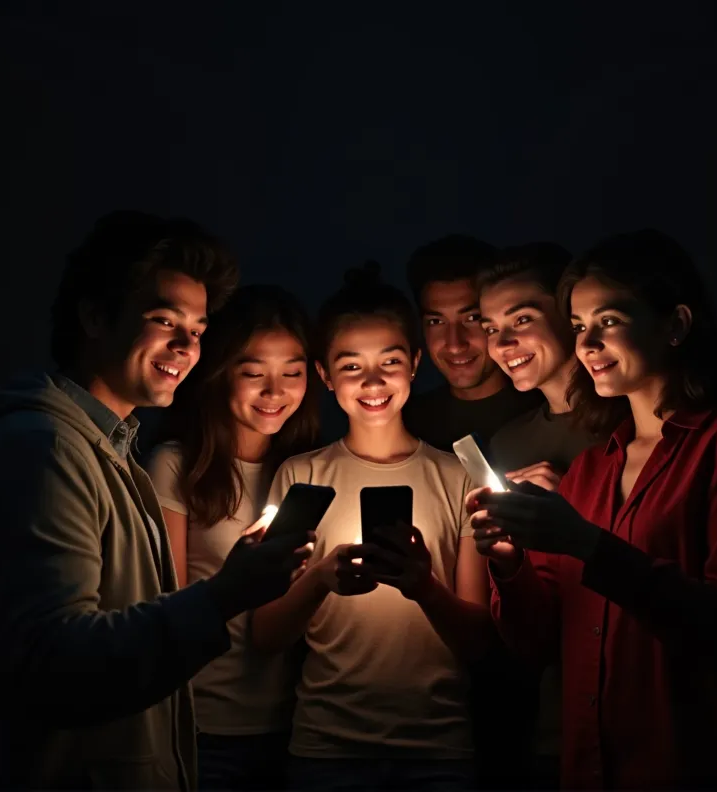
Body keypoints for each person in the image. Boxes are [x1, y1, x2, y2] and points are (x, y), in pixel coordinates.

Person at [0, 211, 315, 790]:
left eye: (197, 327)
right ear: (93, 316)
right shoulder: (40, 452)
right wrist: (226, 594)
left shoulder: (108, 448)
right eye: (164, 320)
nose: (187, 345)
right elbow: (54, 663)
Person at [469, 229, 717, 789]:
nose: (588, 344)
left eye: (609, 320)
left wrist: (586, 544)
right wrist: (507, 560)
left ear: (675, 325)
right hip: (591, 767)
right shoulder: (593, 470)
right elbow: (537, 641)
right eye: (577, 327)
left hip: (695, 763)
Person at [251, 264, 493, 790]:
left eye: (390, 361)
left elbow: (481, 641)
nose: (373, 381)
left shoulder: (458, 477)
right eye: (351, 365)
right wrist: (320, 580)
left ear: (415, 366)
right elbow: (266, 634)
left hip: (439, 748)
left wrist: (423, 586)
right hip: (326, 746)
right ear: (324, 375)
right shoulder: (303, 475)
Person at [145, 284, 320, 790]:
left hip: (296, 725)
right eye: (252, 373)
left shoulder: (307, 468)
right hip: (205, 727)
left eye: (293, 372)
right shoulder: (178, 465)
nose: (275, 391)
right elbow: (165, 608)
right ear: (220, 373)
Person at [469, 242, 601, 789]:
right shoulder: (510, 440)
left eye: (522, 319)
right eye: (491, 326)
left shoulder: (630, 424)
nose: (503, 343)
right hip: (555, 716)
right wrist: (503, 559)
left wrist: (572, 500)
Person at [403, 235, 542, 451]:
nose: (455, 344)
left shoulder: (547, 412)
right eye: (436, 321)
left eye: (472, 318)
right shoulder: (404, 425)